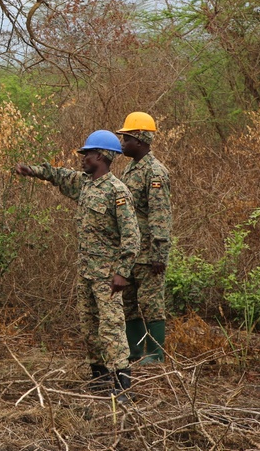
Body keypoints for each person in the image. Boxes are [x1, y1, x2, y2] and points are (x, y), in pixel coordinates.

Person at [14, 130, 140, 399]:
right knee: (89, 326)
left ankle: (122, 383)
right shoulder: (84, 184)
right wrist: (31, 170)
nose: (83, 158)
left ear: (101, 156)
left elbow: (132, 236)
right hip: (86, 272)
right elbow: (57, 174)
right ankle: (100, 377)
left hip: (107, 276)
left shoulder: (117, 192)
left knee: (112, 326)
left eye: (87, 154)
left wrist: (122, 273)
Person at [116, 112, 172, 364]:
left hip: (149, 254)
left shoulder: (155, 172)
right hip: (130, 252)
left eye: (126, 138)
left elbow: (160, 215)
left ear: (139, 139)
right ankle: (135, 352)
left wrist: (160, 254)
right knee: (128, 302)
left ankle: (155, 354)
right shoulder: (130, 169)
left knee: (151, 304)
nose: (122, 143)